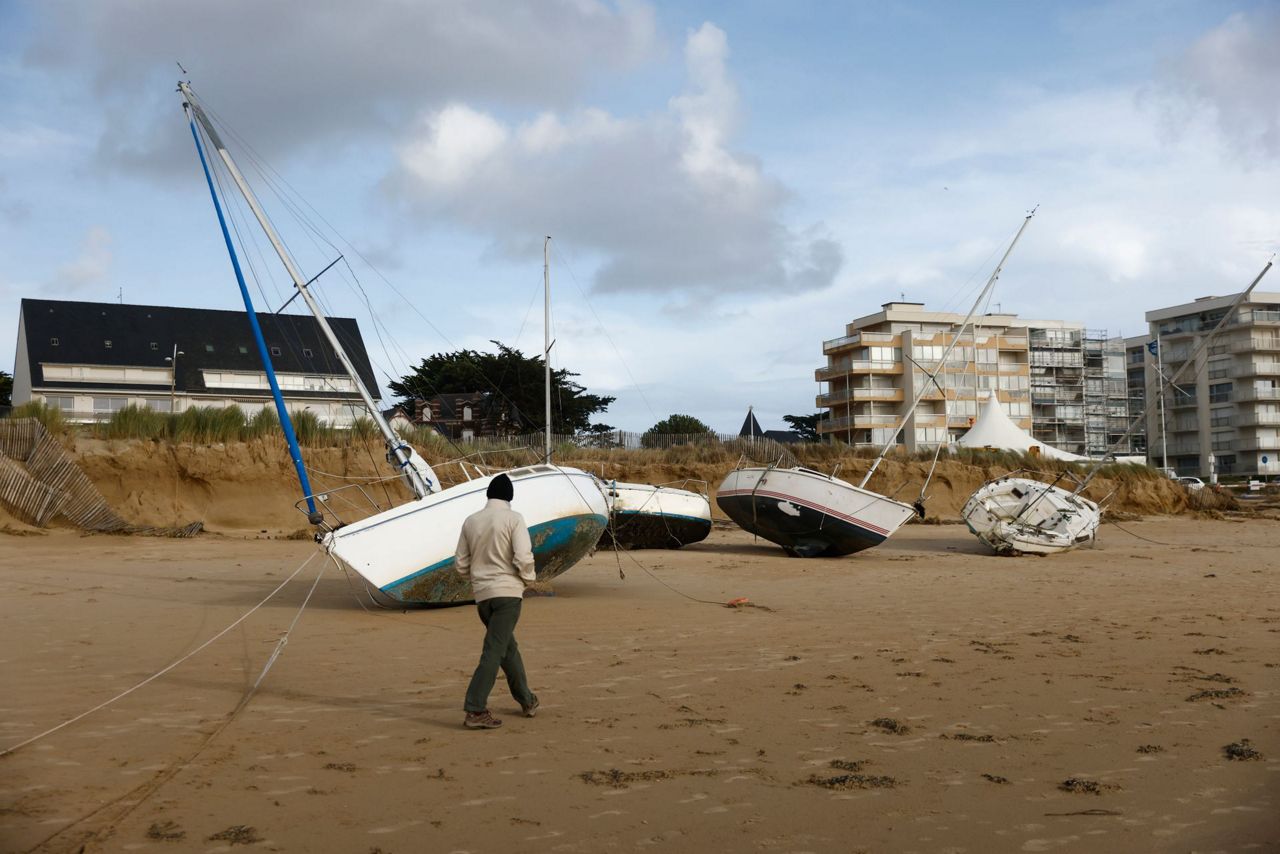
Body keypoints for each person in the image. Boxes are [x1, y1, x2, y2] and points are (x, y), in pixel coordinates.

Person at [455, 473, 540, 730]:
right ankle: (475, 708)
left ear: (488, 495)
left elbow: (460, 564)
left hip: (483, 597)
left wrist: (477, 578)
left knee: (506, 648)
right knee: (494, 649)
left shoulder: (471, 521)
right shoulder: (514, 518)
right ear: (510, 497)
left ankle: (527, 700)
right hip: (508, 594)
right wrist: (529, 579)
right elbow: (523, 555)